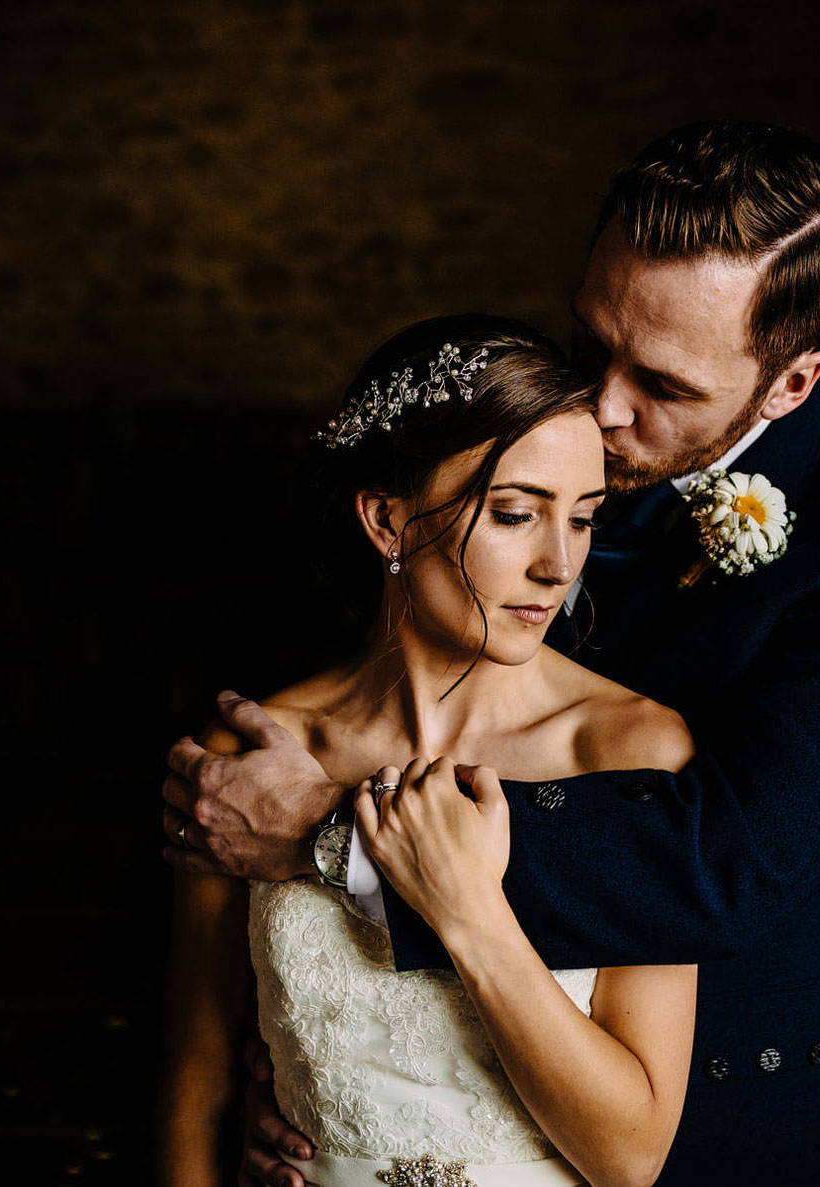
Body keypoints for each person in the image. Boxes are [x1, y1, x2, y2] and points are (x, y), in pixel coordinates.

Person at [164, 122, 820, 1185]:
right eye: (589, 339)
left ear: (791, 384)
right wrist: (321, 1074)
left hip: (735, 1123)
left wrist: (332, 835)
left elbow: (727, 865)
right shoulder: (523, 444)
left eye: (662, 383)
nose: (600, 409)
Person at [156, 315, 699, 1187]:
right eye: (517, 513)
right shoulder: (251, 757)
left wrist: (463, 907)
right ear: (386, 519)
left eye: (585, 518)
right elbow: (198, 1083)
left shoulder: (629, 749)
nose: (559, 563)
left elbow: (630, 1154)